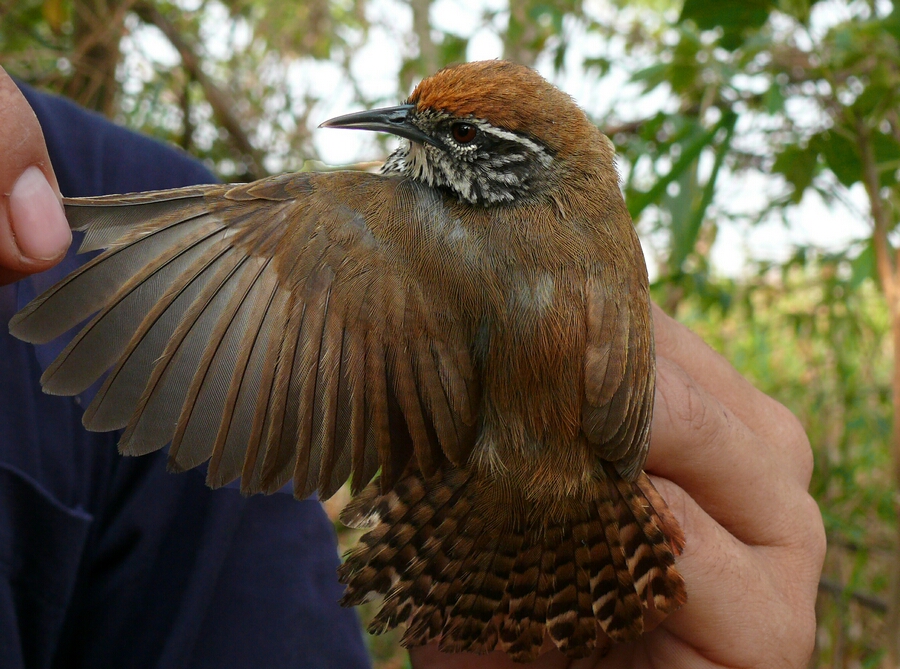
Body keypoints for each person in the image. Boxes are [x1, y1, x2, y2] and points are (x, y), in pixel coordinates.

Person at [0, 67, 825, 668]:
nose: (409, 134)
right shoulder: (570, 218)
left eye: (459, 137)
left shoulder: (370, 224)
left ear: (521, 164)